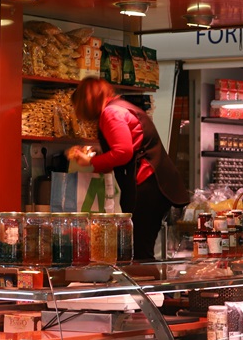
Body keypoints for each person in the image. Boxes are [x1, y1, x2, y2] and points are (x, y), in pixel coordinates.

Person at [68, 77, 189, 261]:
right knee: (140, 249)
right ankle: (148, 288)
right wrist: (96, 154)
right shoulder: (122, 107)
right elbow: (127, 146)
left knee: (138, 252)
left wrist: (91, 163)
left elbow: (123, 152)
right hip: (157, 185)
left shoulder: (111, 113)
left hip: (148, 185)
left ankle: (152, 290)